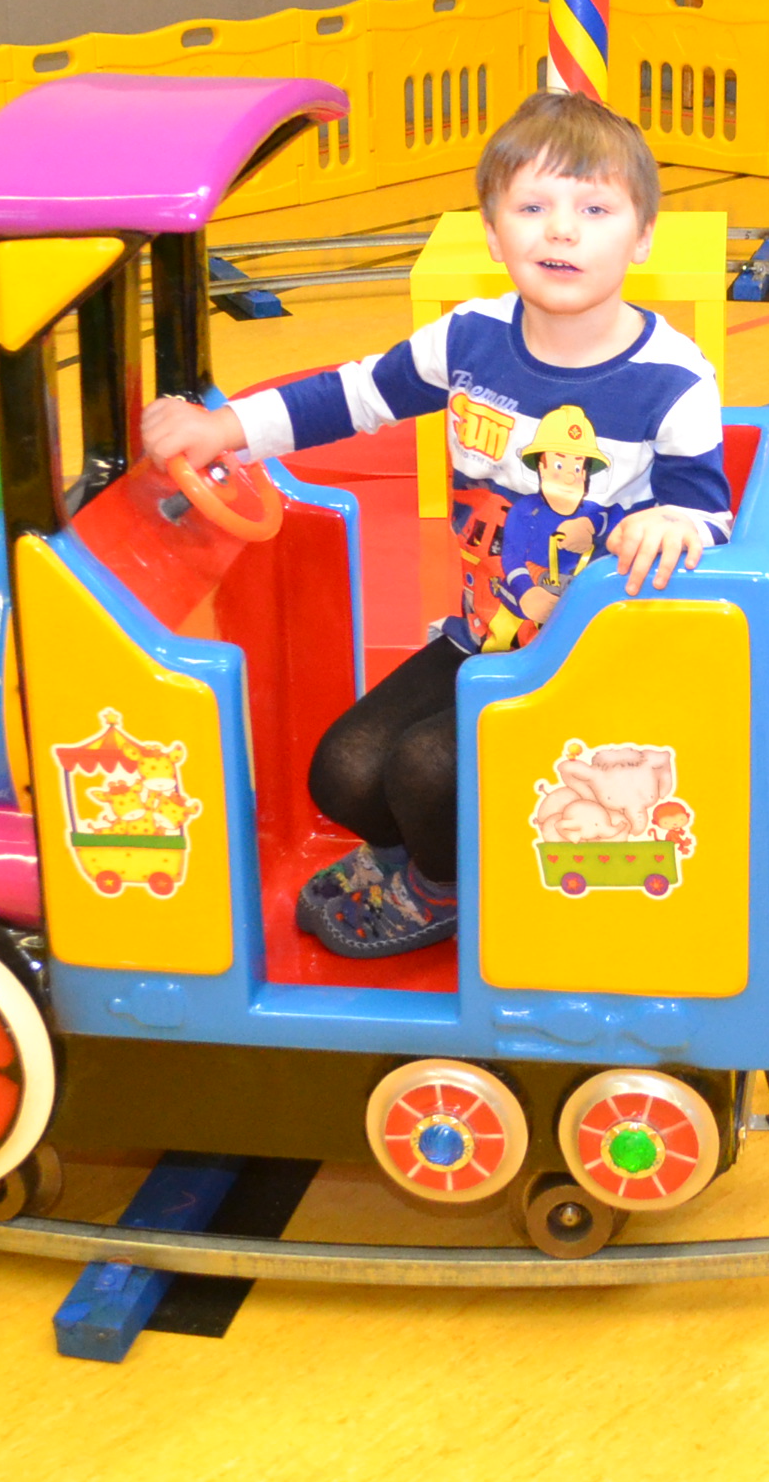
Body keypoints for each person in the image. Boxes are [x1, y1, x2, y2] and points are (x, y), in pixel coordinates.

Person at [138, 93, 730, 957]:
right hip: (485, 635)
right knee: (343, 772)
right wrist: (225, 429)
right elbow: (351, 394)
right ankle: (432, 853)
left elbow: (708, 513)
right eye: (532, 207)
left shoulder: (672, 380)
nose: (561, 231)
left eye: (595, 210)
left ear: (642, 238)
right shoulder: (470, 339)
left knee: (427, 768)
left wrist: (673, 524)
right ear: (492, 233)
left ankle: (439, 885)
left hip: (596, 661)